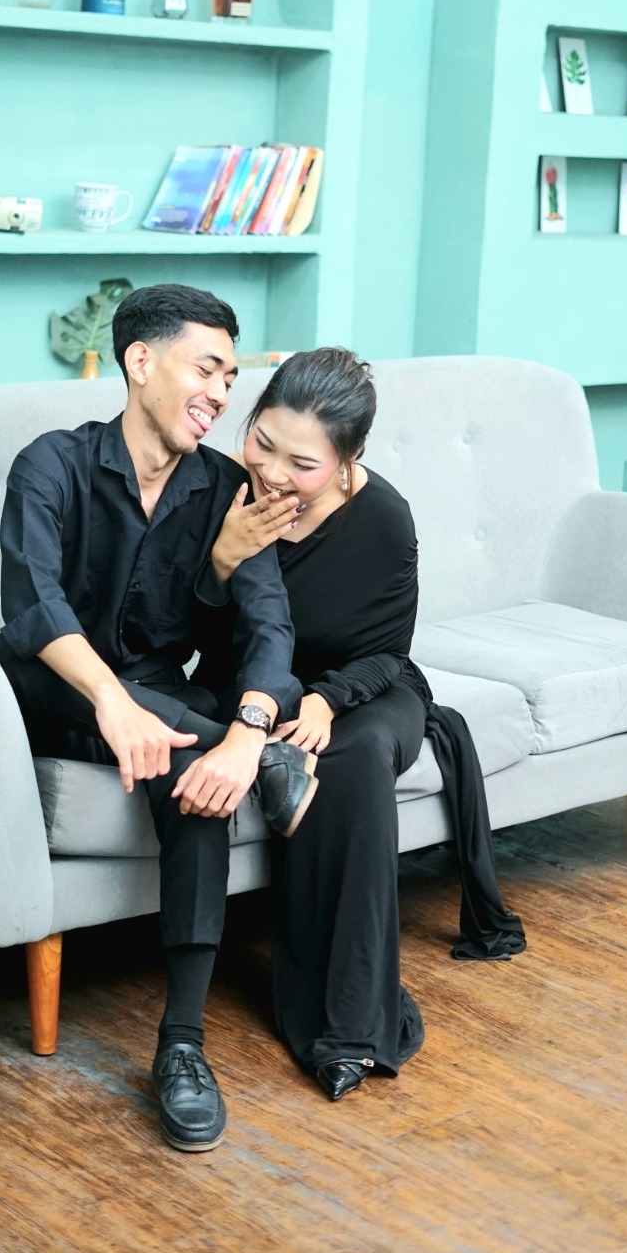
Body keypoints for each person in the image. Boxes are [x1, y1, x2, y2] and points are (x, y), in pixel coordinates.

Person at [0, 284, 316, 1154]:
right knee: (33, 662)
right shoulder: (51, 465)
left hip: (163, 710)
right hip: (52, 692)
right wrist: (112, 700)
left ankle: (181, 1047)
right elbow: (32, 604)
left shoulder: (224, 488)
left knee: (199, 779)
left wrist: (245, 734)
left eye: (230, 378)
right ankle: (256, 762)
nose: (220, 393)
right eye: (206, 368)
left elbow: (269, 625)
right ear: (140, 361)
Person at [194, 347, 526, 1101]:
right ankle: (330, 1013)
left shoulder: (382, 518)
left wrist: (326, 700)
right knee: (288, 745)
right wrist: (221, 562)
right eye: (262, 443)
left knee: (356, 751)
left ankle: (352, 1026)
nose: (273, 473)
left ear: (348, 461)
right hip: (251, 687)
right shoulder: (219, 492)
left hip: (366, 688)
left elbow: (387, 652)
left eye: (303, 464)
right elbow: (186, 638)